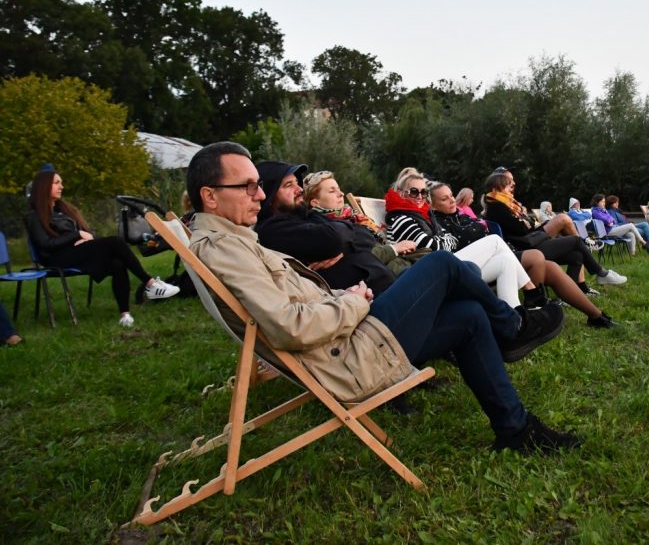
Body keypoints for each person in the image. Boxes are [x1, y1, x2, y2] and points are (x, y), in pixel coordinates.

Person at [186, 141, 579, 453]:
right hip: (348, 360)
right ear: (210, 196)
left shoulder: (236, 240)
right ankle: (512, 325)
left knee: (469, 315)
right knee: (442, 264)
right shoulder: (224, 250)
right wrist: (353, 302)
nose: (259, 195)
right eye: (247, 186)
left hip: (350, 338)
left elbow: (299, 303)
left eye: (259, 184)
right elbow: (291, 327)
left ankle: (515, 428)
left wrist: (347, 295)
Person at [431, 182, 618, 328]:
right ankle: (533, 309)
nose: (452, 200)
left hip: (508, 251)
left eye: (451, 196)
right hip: (489, 263)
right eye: (444, 199)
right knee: (538, 256)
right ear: (433, 204)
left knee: (552, 267)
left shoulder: (463, 216)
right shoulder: (442, 223)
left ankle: (596, 316)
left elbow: (524, 226)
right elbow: (519, 229)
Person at [384, 167, 556, 313]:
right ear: (401, 193)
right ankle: (532, 293)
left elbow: (450, 241)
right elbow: (437, 246)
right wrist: (442, 239)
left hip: (444, 266)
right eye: (414, 192)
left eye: (423, 192)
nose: (420, 196)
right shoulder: (401, 218)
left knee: (505, 261)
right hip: (431, 276)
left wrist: (442, 240)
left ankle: (516, 317)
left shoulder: (421, 215)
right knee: (495, 241)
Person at [25, 170, 179, 328]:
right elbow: (46, 245)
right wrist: (77, 235)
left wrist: (81, 238)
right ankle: (150, 283)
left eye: (61, 183)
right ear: (43, 187)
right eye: (56, 183)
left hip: (77, 253)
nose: (61, 187)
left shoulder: (64, 211)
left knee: (117, 263)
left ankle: (125, 315)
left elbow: (87, 234)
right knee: (115, 241)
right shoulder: (33, 216)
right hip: (56, 259)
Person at [252, 162, 411, 297]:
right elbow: (332, 239)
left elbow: (366, 237)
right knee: (435, 263)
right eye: (288, 185)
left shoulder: (307, 217)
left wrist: (344, 246)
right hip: (370, 309)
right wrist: (342, 241)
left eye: (296, 183)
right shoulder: (273, 230)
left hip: (385, 290)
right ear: (270, 195)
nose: (299, 189)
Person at [482, 168, 626, 295]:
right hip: (526, 248)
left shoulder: (503, 204)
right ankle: (600, 272)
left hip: (529, 240)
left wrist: (526, 222)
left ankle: (572, 290)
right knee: (575, 240)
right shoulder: (497, 207)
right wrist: (525, 222)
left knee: (576, 256)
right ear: (496, 188)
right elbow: (520, 228)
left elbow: (526, 226)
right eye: (508, 186)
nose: (511, 189)